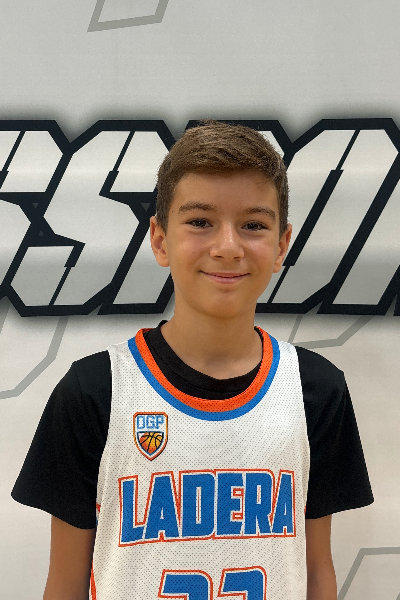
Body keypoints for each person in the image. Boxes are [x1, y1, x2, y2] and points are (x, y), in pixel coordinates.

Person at [12, 120, 373, 600]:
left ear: (281, 245)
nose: (227, 247)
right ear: (160, 240)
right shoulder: (94, 391)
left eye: (253, 225)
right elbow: (64, 584)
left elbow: (317, 573)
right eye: (200, 221)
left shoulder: (316, 390)